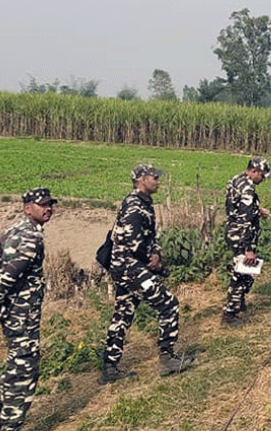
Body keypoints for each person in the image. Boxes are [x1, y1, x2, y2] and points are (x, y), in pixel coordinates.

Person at [0, 188, 57, 431]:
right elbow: (5, 277)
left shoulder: (12, 230)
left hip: (11, 312)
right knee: (26, 367)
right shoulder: (31, 238)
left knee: (17, 361)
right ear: (28, 208)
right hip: (21, 314)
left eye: (50, 204)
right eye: (42, 205)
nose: (48, 208)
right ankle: (11, 425)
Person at [99, 163, 193, 383]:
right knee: (169, 304)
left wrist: (156, 254)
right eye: (154, 177)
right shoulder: (134, 205)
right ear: (142, 179)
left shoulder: (143, 202)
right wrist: (153, 263)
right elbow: (134, 243)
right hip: (130, 267)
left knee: (123, 313)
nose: (158, 181)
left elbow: (149, 238)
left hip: (125, 267)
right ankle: (168, 358)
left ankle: (109, 368)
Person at [222, 156, 271, 326]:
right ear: (254, 171)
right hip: (241, 236)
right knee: (242, 272)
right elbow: (244, 219)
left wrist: (257, 210)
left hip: (233, 232)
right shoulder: (248, 188)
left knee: (246, 271)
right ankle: (230, 314)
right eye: (262, 175)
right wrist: (248, 248)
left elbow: (236, 207)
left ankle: (239, 301)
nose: (263, 179)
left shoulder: (237, 179)